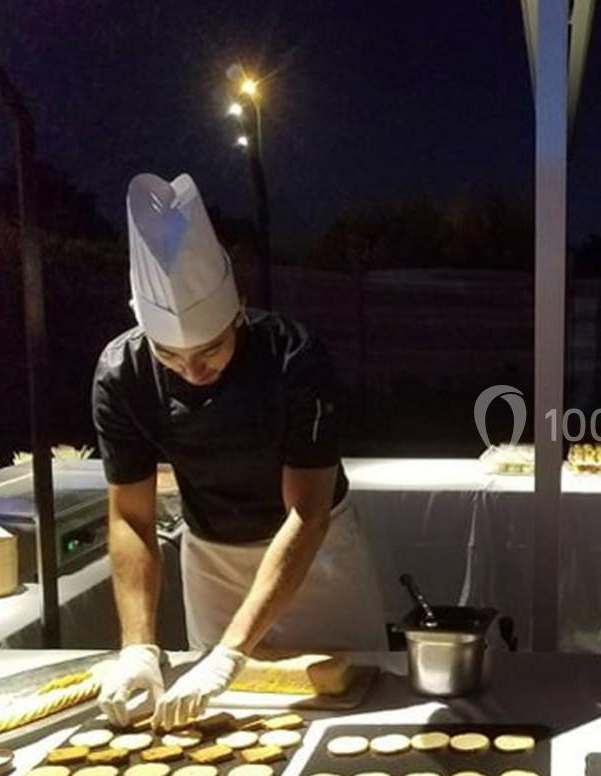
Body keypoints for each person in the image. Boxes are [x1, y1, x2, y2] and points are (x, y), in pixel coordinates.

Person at [92, 173, 386, 730]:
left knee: (347, 713)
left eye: (211, 350)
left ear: (240, 312)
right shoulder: (120, 374)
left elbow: (308, 511)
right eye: (171, 357)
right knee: (227, 728)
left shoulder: (293, 358)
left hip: (317, 558)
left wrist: (231, 652)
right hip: (211, 558)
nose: (193, 370)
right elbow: (130, 516)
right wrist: (138, 646)